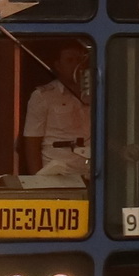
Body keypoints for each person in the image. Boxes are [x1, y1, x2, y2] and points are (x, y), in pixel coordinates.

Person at [22, 42, 91, 178]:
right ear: (58, 65)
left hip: (91, 175)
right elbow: (32, 144)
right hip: (58, 175)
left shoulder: (96, 94)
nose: (76, 65)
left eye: (79, 60)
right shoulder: (43, 96)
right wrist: (38, 183)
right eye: (70, 60)